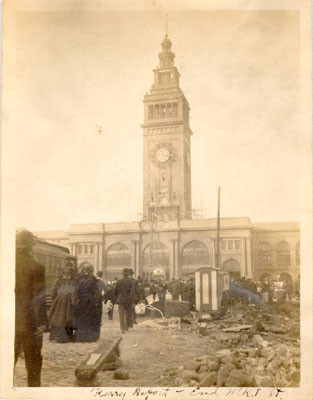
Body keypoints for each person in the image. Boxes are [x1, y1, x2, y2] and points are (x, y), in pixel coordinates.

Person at [15, 229, 48, 387]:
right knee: (33, 366)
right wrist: (41, 324)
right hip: (28, 325)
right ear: (31, 246)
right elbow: (38, 300)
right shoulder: (36, 267)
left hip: (6, 325)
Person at [48, 265, 77, 343]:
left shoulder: (58, 281)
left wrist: (55, 300)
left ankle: (55, 336)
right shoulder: (72, 282)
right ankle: (66, 337)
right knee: (67, 319)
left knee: (57, 319)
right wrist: (74, 302)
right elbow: (73, 294)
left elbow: (53, 292)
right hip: (68, 302)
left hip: (59, 301)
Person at [74, 264, 102, 342]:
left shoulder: (78, 279)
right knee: (90, 318)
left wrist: (76, 299)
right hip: (90, 301)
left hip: (82, 301)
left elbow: (76, 291)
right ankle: (89, 336)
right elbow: (97, 292)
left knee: (81, 319)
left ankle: (80, 336)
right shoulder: (93, 280)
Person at [114, 268, 133, 333]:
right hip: (128, 300)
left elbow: (115, 291)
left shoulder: (119, 281)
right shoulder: (130, 282)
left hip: (120, 299)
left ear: (123, 274)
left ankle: (122, 328)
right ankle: (126, 327)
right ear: (127, 274)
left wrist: (116, 297)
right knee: (127, 313)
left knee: (121, 314)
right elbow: (131, 291)